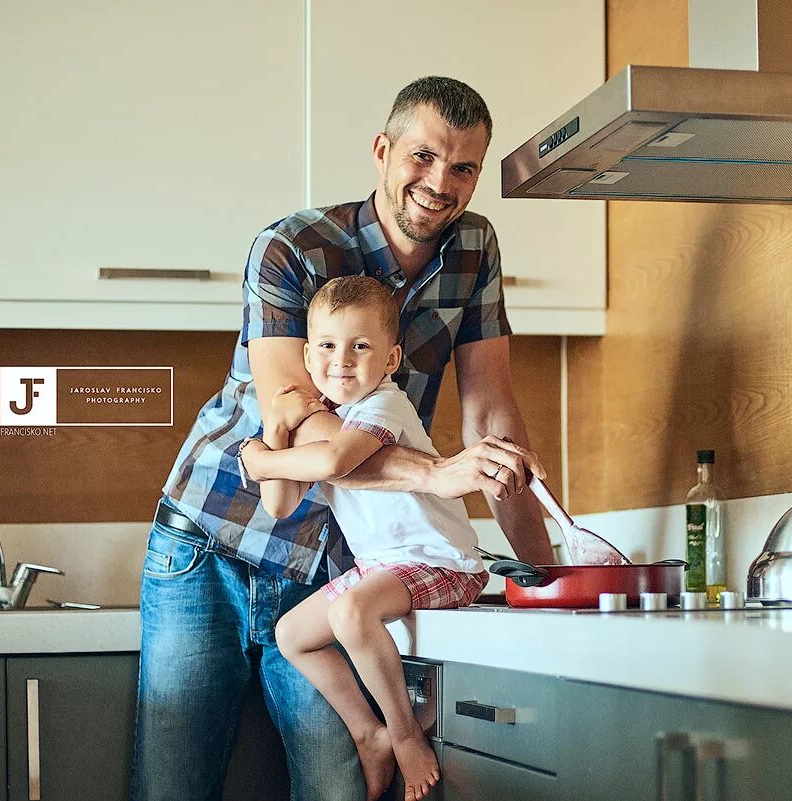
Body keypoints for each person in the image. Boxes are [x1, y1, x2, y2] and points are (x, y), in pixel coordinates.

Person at [132, 76, 553, 801]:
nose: (440, 183)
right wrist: (436, 473)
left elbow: (493, 417)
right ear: (383, 151)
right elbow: (298, 410)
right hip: (209, 545)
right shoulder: (292, 247)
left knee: (340, 785)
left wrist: (547, 577)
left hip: (332, 556)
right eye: (422, 157)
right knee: (173, 786)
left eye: (463, 168)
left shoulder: (474, 247)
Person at [240, 275, 484, 801]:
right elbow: (279, 505)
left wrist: (259, 458)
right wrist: (277, 427)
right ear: (307, 357)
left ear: (391, 359)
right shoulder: (329, 420)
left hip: (442, 562)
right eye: (327, 345)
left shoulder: (384, 407)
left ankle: (403, 735)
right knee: (291, 635)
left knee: (350, 613)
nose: (341, 360)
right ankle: (367, 732)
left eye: (360, 346)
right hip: (385, 567)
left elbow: (332, 462)